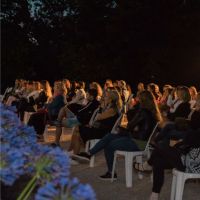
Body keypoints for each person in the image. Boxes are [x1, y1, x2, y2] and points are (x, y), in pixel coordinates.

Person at [74, 90, 162, 180]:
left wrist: (130, 110)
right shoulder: (152, 111)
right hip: (139, 140)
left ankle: (111, 172)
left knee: (109, 145)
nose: (136, 99)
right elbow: (133, 127)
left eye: (138, 98)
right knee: (109, 136)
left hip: (137, 142)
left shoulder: (143, 112)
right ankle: (89, 154)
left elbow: (130, 125)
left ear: (142, 100)